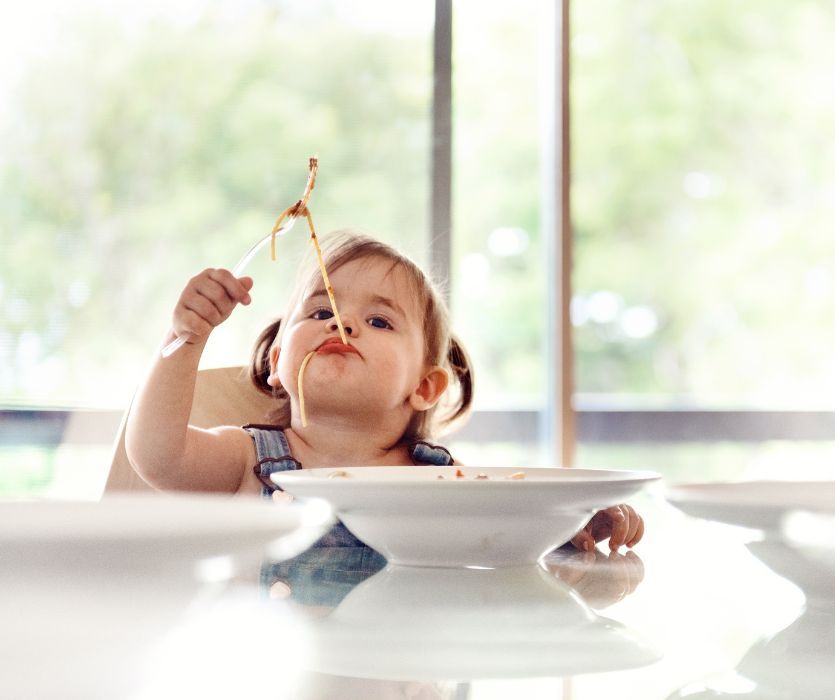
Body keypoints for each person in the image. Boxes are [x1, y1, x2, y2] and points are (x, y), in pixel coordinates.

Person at [125, 230, 644, 553]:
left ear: (424, 386)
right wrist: (186, 339)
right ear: (277, 362)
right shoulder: (245, 457)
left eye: (377, 320)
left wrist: (572, 524)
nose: (342, 324)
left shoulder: (444, 481)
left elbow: (507, 538)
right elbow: (158, 457)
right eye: (321, 312)